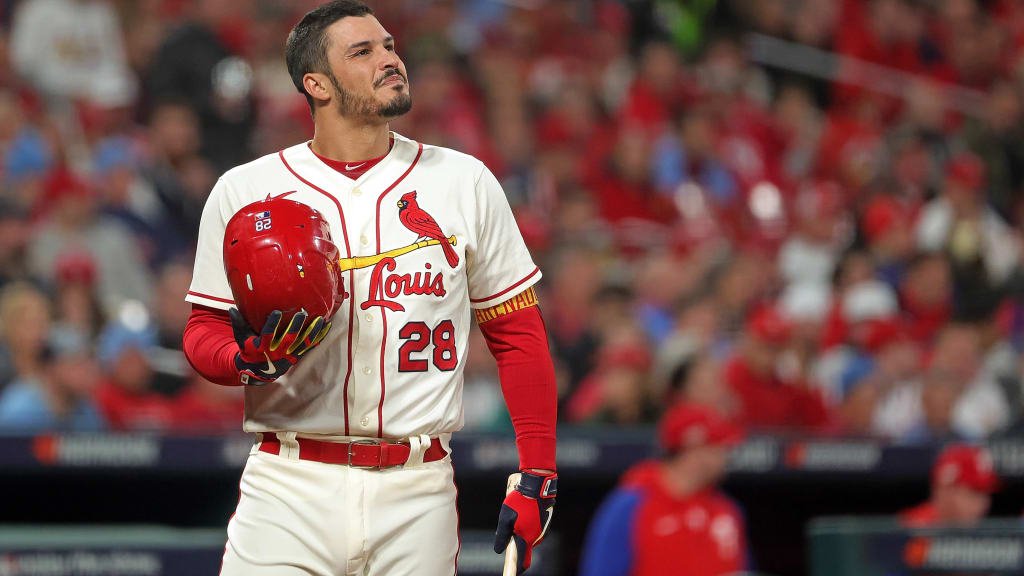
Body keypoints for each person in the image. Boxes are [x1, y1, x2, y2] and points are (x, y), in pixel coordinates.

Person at [180, 2, 558, 575]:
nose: (388, 59)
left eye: (388, 46)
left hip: (418, 487)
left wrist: (538, 472)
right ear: (316, 84)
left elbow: (518, 335)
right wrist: (246, 362)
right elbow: (203, 330)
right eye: (362, 52)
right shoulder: (248, 190)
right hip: (289, 483)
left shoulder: (465, 182)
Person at [579, 404, 749, 576]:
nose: (726, 457)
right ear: (694, 453)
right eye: (719, 448)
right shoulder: (631, 505)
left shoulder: (727, 509)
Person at [900, 443, 998, 527]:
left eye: (986, 494)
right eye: (974, 493)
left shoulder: (983, 535)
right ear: (944, 491)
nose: (983, 504)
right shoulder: (913, 530)